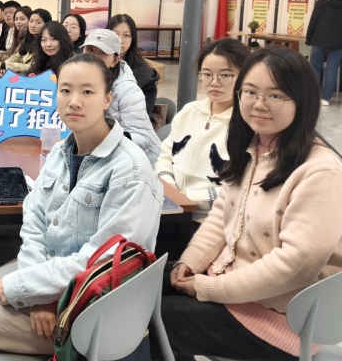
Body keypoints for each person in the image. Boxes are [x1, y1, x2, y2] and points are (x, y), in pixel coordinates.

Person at [0, 54, 163, 360]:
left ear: (108, 99)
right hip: (50, 279)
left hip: (91, 307)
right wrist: (36, 294)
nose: (74, 101)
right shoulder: (59, 151)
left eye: (88, 91)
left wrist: (29, 288)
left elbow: (104, 261)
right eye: (65, 90)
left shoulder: (130, 170)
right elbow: (35, 221)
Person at [153, 46, 342, 361]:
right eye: (251, 92)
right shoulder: (253, 147)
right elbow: (221, 217)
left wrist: (207, 288)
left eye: (276, 95)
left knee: (150, 319)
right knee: (132, 288)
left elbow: (295, 265)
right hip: (233, 290)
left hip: (281, 321)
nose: (259, 104)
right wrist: (189, 263)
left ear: (303, 100)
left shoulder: (320, 170)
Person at [155, 38, 250, 226]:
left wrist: (187, 198)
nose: (214, 82)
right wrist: (172, 192)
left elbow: (242, 188)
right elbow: (164, 157)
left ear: (245, 76)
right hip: (170, 210)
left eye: (225, 75)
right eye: (206, 74)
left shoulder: (247, 125)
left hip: (213, 222)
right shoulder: (189, 111)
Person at [82, 29, 161, 166]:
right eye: (90, 50)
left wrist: (105, 139)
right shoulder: (79, 82)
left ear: (115, 60)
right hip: (100, 156)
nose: (94, 57)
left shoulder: (127, 90)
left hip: (139, 163)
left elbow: (142, 138)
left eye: (103, 52)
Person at [107, 14, 159, 118]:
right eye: (115, 34)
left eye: (126, 35)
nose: (120, 40)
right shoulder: (96, 63)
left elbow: (141, 117)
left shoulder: (144, 74)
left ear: (133, 39)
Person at [306, 0, 342, 106]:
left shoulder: (322, 1)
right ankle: (326, 99)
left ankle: (313, 96)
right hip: (339, 41)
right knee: (332, 69)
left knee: (315, 66)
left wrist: (308, 38)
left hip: (319, 38)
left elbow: (313, 21)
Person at [1, 8, 51, 75]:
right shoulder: (27, 40)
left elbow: (31, 67)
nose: (32, 25)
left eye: (38, 22)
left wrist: (5, 65)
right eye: (31, 21)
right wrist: (4, 65)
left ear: (46, 24)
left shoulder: (45, 45)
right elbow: (16, 56)